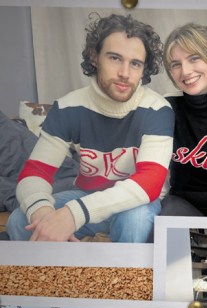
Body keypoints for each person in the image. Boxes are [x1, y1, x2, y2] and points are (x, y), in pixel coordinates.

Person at [6, 14, 173, 243]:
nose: (125, 72)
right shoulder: (67, 107)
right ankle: (58, 278)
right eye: (115, 58)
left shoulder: (157, 109)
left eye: (135, 63)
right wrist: (44, 215)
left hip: (136, 202)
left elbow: (149, 184)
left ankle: (121, 280)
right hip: (88, 194)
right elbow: (35, 173)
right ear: (95, 57)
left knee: (135, 221)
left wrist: (72, 215)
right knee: (20, 220)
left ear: (144, 70)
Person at [160, 23, 207, 217]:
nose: (185, 71)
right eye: (176, 64)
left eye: (194, 58)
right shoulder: (166, 109)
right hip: (180, 204)